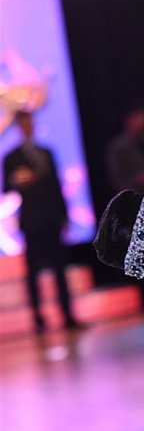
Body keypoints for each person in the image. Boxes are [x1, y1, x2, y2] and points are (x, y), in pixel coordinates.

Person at [2, 109, 79, 332]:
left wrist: (64, 216)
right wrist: (20, 180)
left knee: (60, 269)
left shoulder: (46, 153)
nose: (28, 127)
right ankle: (38, 319)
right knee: (33, 272)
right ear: (19, 127)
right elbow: (7, 188)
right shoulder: (12, 158)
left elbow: (56, 187)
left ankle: (67, 314)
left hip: (51, 218)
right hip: (31, 221)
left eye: (30, 123)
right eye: (24, 124)